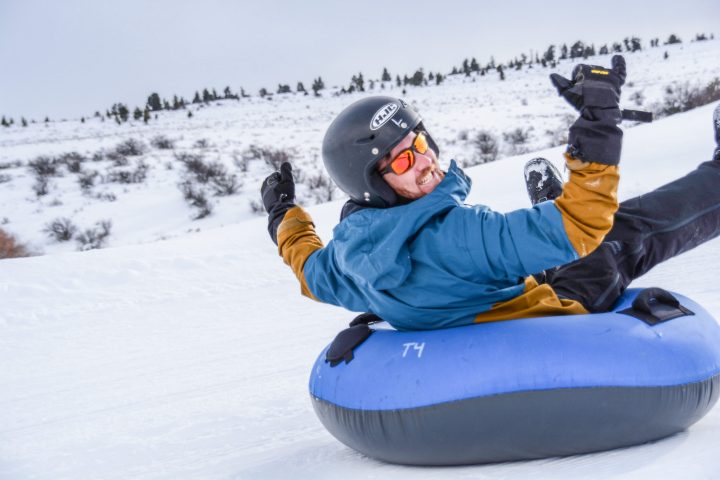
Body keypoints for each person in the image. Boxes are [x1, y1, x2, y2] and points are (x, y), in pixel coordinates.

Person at [261, 55, 720, 331]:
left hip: (495, 294)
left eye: (419, 144)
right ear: (373, 182)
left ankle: (545, 217)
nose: (424, 161)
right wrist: (598, 129)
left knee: (546, 245)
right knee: (626, 232)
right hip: (558, 309)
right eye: (401, 160)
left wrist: (283, 214)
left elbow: (309, 270)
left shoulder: (349, 256)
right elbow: (584, 223)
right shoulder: (456, 235)